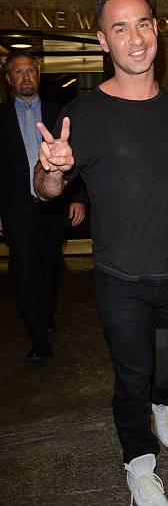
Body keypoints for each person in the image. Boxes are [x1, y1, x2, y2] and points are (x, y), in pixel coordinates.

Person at [34, 0, 168, 506]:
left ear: (155, 30)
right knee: (131, 377)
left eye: (143, 24)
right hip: (119, 276)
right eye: (120, 28)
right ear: (103, 41)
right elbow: (44, 189)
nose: (135, 38)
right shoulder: (82, 114)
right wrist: (52, 169)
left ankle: (166, 400)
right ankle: (139, 466)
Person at [0, 52, 86, 361]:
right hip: (17, 209)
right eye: (18, 72)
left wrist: (77, 197)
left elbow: (77, 159)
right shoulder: (0, 119)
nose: (25, 77)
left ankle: (45, 313)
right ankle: (38, 336)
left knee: (50, 267)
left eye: (30, 71)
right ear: (8, 78)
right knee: (24, 271)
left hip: (54, 207)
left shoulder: (59, 113)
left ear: (39, 75)